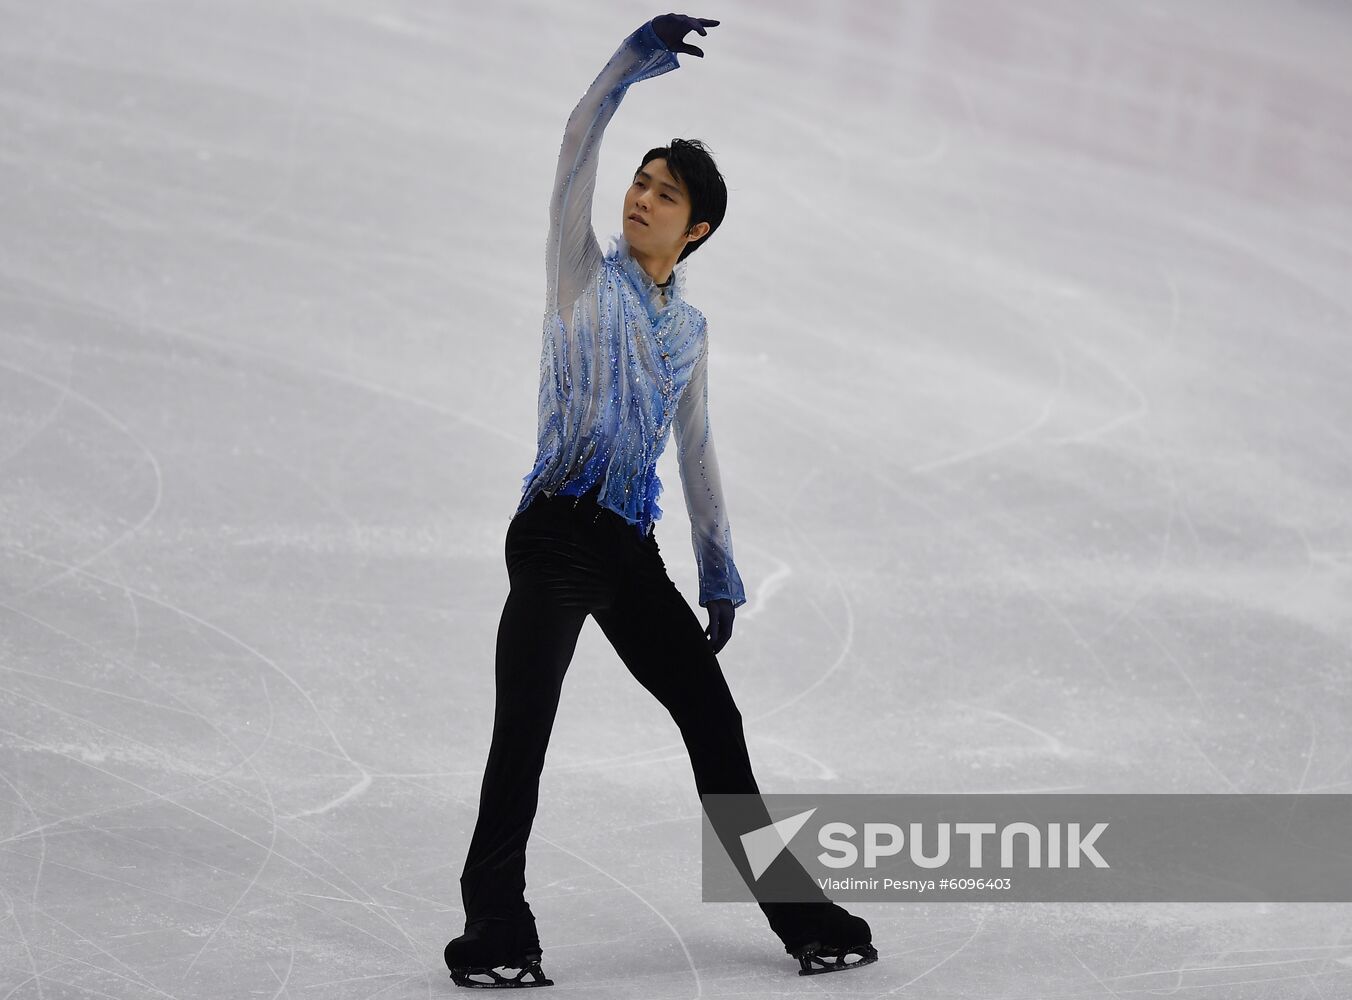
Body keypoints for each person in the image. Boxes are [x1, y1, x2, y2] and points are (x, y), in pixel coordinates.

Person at [444, 12, 878, 988]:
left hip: (628, 552)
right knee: (525, 731)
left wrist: (717, 576)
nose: (640, 197)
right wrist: (631, 63)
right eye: (639, 182)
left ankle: (802, 918)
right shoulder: (576, 274)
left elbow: (696, 455)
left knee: (711, 722)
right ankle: (495, 930)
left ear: (698, 228)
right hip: (554, 532)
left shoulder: (688, 331)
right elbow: (574, 140)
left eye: (663, 192)